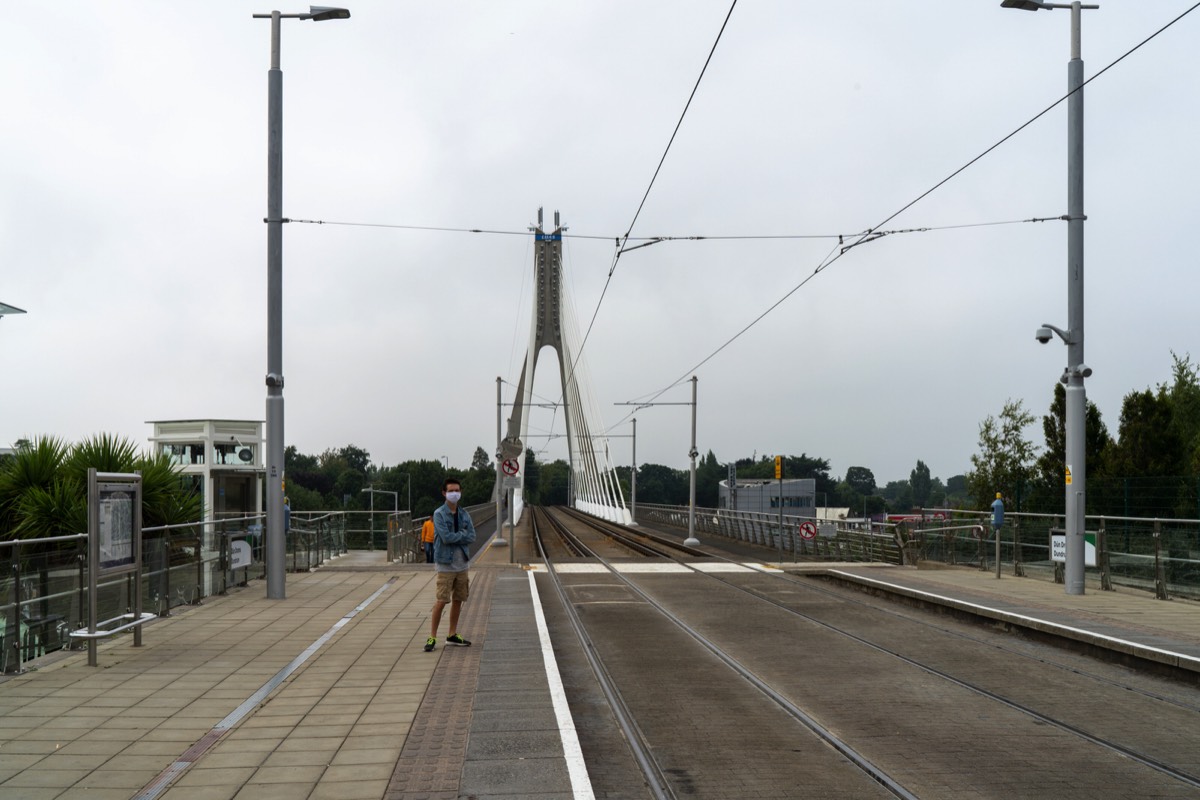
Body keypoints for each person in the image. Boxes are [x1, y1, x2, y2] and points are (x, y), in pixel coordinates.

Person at [425, 477, 476, 652]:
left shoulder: (464, 514)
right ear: (444, 493)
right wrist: (462, 534)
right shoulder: (439, 514)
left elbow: (473, 536)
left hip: (462, 564)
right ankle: (432, 637)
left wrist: (459, 535)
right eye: (451, 491)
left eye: (457, 490)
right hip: (446, 564)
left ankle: (452, 635)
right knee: (441, 600)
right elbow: (446, 538)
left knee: (458, 600)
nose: (454, 494)